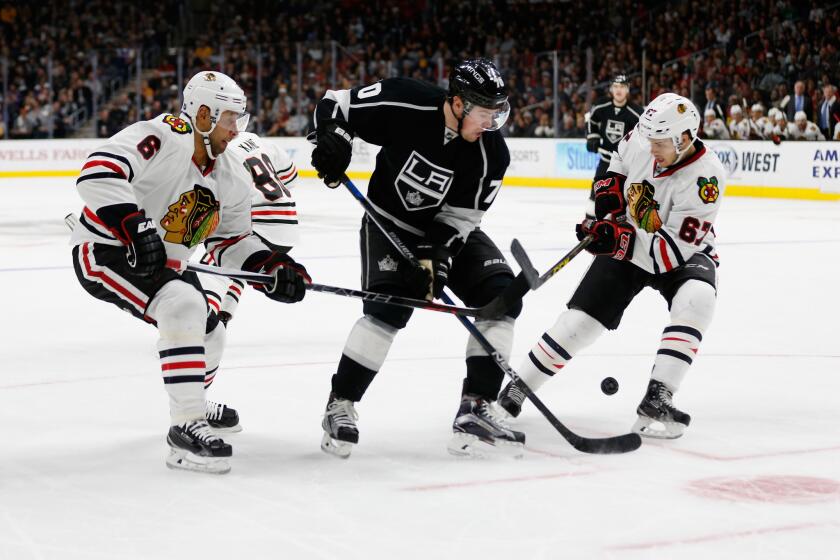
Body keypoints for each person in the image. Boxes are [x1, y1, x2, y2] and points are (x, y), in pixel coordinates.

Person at [70, 71, 310, 474]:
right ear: (203, 113)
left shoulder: (230, 173)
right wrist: (131, 224)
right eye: (231, 118)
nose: (238, 129)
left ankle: (192, 403)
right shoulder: (163, 136)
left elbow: (231, 242)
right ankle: (185, 428)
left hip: (165, 261)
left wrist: (274, 266)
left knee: (212, 331)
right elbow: (97, 173)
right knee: (183, 304)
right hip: (108, 252)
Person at [309, 58, 524, 459]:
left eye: (497, 115)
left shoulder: (493, 153)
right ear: (458, 103)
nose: (490, 125)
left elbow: (463, 217)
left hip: (446, 230)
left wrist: (438, 256)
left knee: (504, 295)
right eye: (483, 114)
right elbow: (336, 103)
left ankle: (475, 406)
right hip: (389, 222)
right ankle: (341, 404)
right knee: (388, 310)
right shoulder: (406, 101)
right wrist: (334, 137)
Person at [498, 93, 724, 440]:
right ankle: (518, 387)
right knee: (579, 324)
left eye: (659, 143)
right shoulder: (646, 136)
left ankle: (658, 395)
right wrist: (609, 196)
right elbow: (619, 157)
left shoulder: (706, 179)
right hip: (633, 236)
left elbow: (669, 254)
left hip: (681, 250)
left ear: (683, 139)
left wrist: (616, 239)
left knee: (697, 299)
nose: (651, 150)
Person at [198, 131, 300, 332]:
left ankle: (201, 327)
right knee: (241, 265)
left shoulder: (218, 149)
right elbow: (291, 177)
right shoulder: (255, 139)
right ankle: (224, 314)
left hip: (258, 219)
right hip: (287, 223)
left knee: (215, 265)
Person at [586, 74, 643, 181]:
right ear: (611, 89)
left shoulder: (637, 113)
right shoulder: (601, 106)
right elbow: (592, 121)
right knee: (597, 194)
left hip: (625, 165)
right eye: (616, 86)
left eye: (622, 87)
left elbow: (644, 134)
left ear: (627, 89)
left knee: (624, 196)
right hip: (605, 161)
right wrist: (592, 137)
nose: (618, 90)